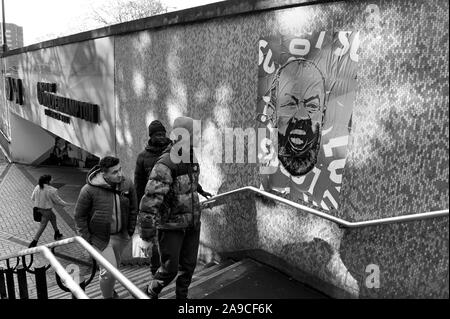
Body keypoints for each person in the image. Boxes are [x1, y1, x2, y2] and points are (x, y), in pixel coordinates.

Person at [139, 116, 212, 299]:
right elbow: (150, 202)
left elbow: (189, 182)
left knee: (188, 267)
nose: (199, 136)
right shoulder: (166, 163)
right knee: (169, 270)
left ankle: (182, 299)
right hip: (171, 226)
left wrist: (201, 191)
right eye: (196, 133)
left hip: (192, 223)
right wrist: (146, 237)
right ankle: (150, 291)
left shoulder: (190, 156)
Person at [74, 156, 138, 299]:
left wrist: (130, 230)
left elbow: (134, 208)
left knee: (114, 268)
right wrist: (87, 240)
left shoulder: (127, 184)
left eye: (120, 169)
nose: (120, 174)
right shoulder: (88, 190)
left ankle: (109, 290)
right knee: (109, 271)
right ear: (104, 174)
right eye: (115, 172)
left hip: (121, 236)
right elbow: (79, 216)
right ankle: (108, 297)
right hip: (100, 239)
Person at [134, 120, 172, 276]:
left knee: (169, 242)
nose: (161, 137)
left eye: (163, 133)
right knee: (154, 243)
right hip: (153, 208)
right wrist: (139, 210)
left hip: (171, 206)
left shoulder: (174, 153)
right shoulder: (142, 157)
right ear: (151, 136)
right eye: (157, 134)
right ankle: (154, 272)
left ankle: (168, 271)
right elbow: (139, 185)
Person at [29, 174, 72, 248]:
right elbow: (58, 201)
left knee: (53, 217)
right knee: (42, 226)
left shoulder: (37, 187)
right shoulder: (51, 190)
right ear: (47, 181)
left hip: (38, 209)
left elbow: (32, 198)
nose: (53, 180)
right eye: (51, 179)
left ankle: (57, 232)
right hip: (46, 211)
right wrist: (67, 204)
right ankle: (34, 241)